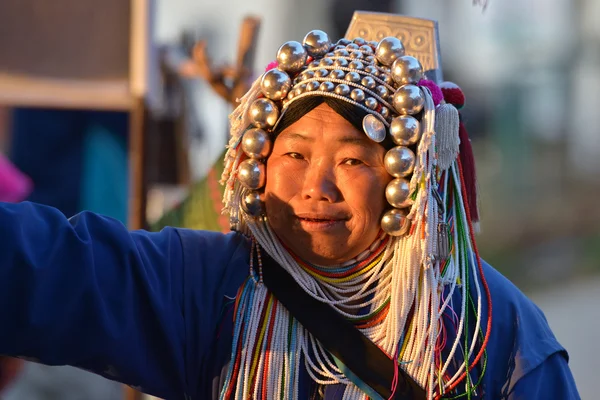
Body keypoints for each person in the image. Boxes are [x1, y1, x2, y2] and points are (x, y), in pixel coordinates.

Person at [0, 17, 580, 400]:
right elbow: (55, 270)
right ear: (259, 163)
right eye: (294, 154)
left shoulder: (485, 327)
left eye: (353, 161)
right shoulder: (211, 284)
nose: (317, 186)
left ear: (407, 174)